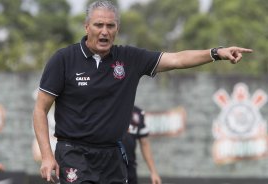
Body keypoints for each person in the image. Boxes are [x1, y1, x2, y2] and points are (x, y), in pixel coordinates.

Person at [32, 1, 253, 183]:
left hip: (112, 156)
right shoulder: (63, 59)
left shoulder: (129, 58)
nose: (104, 32)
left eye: (110, 26)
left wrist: (216, 53)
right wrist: (47, 156)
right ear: (86, 27)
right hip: (74, 153)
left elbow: (176, 59)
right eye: (99, 25)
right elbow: (40, 110)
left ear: (117, 29)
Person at [122, 106, 161, 184]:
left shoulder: (138, 113)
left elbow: (144, 143)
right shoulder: (107, 110)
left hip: (129, 167)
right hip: (108, 166)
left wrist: (153, 172)